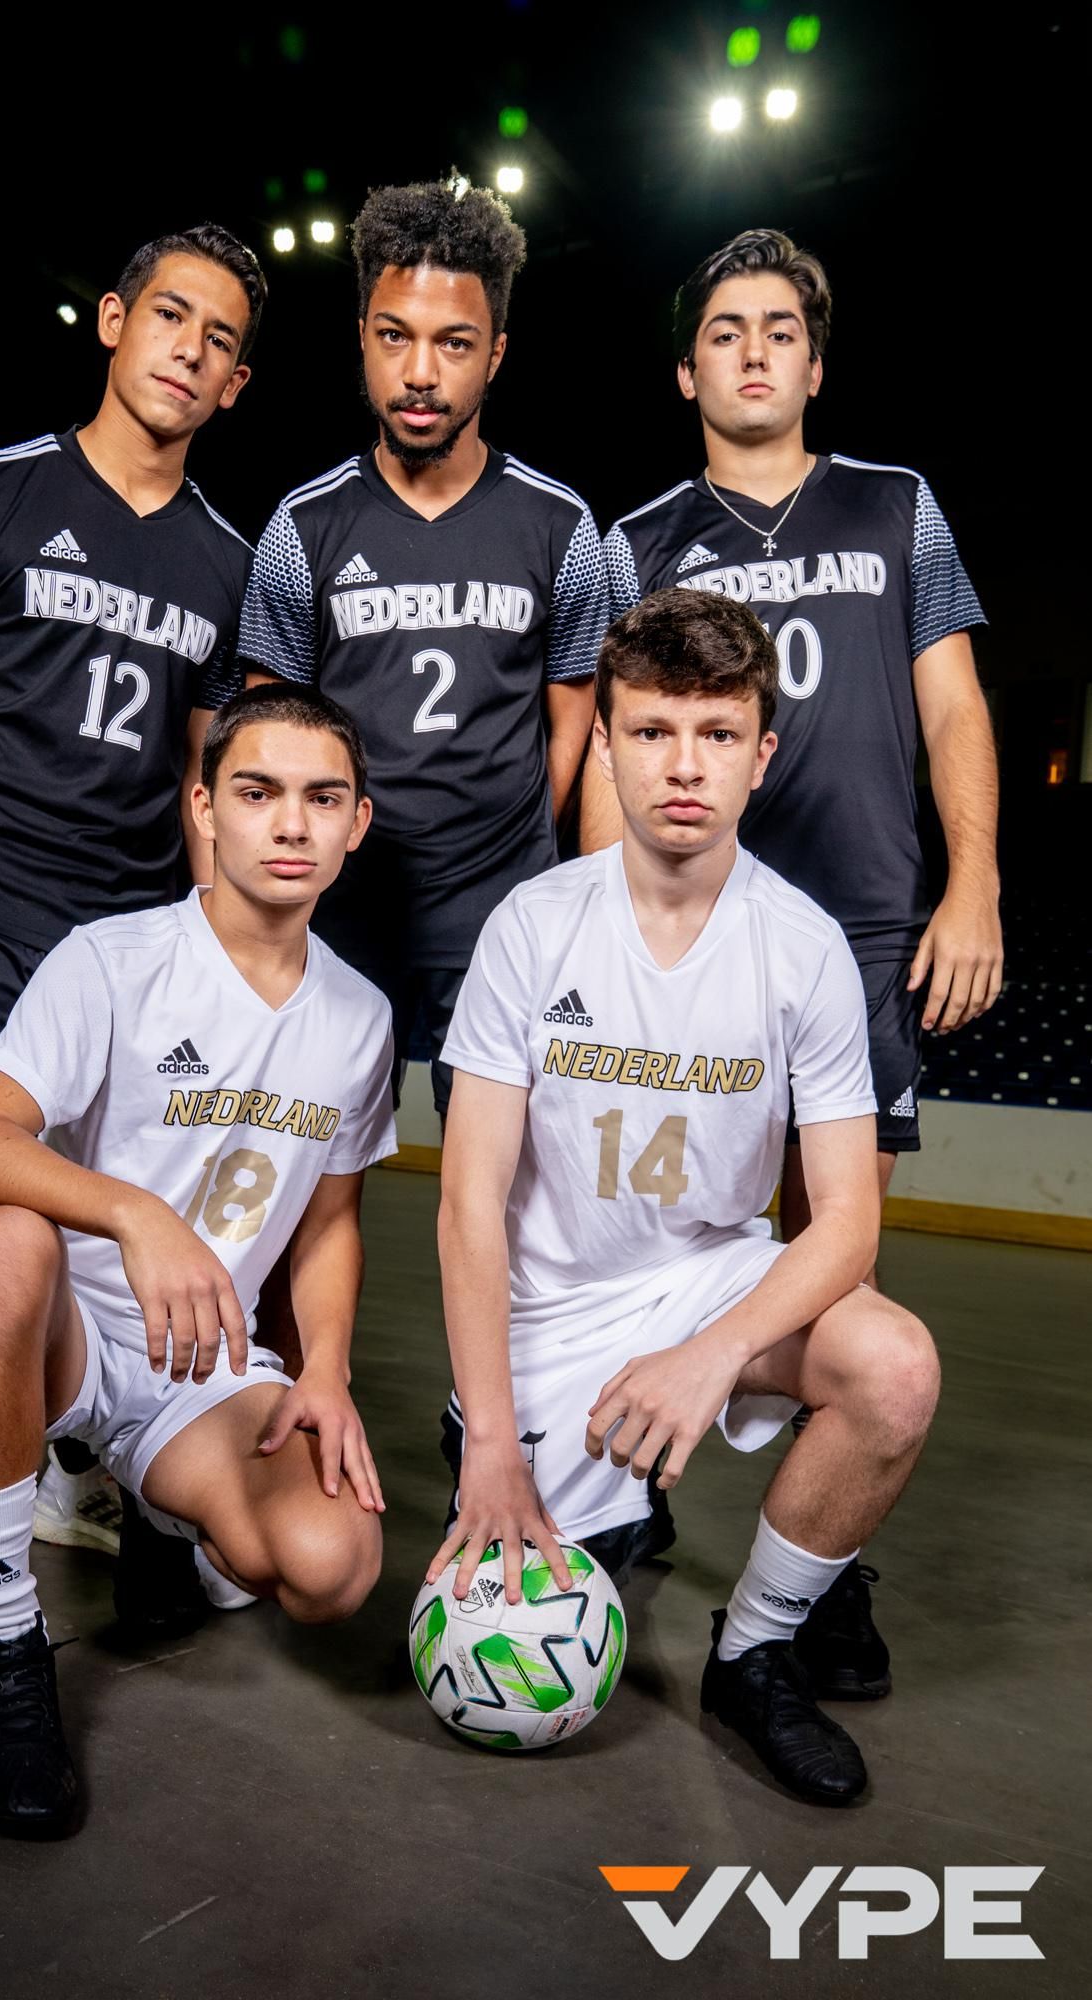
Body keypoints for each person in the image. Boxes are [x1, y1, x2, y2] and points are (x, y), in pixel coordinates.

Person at [0, 223, 266, 1636]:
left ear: (236, 384)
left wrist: (215, 956)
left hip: (124, 938)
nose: (189, 349)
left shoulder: (230, 562)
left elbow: (208, 787)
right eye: (170, 315)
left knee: (87, 1218)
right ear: (113, 320)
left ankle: (53, 1457)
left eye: (220, 339)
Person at [430, 592, 940, 1804]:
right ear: (604, 744)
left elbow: (846, 1221)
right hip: (552, 1309)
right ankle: (550, 1463)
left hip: (711, 1280)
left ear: (762, 755)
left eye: (717, 734)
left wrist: (713, 1352)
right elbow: (467, 1203)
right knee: (507, 1646)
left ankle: (755, 1651)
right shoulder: (532, 926)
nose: (683, 764)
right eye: (652, 731)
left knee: (895, 1367)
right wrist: (493, 1440)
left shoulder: (804, 946)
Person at [0, 684, 395, 1835]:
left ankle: (157, 1510)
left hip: (201, 1359)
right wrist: (135, 1213)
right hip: (63, 1328)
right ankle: (0, 1646)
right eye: (257, 792)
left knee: (329, 1567)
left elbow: (328, 1223)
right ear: (204, 807)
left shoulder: (361, 1014)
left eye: (321, 797)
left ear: (357, 823)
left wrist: (325, 1371)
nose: (290, 823)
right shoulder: (113, 959)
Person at [583, 228, 1001, 1249]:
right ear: (687, 373)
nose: (754, 352)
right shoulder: (635, 542)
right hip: (697, 923)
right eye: (725, 333)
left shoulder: (896, 505)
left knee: (833, 1250)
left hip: (866, 923)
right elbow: (610, 746)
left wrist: (975, 884)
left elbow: (954, 707)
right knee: (672, 1238)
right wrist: (612, 929)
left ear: (814, 367)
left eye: (780, 332)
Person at [237, 178, 607, 1116]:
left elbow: (575, 716)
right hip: (338, 902)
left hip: (498, 911)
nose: (420, 373)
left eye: (455, 343)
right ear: (361, 337)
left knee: (499, 1175)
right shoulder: (302, 525)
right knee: (303, 1161)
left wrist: (511, 845)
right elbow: (266, 732)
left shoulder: (561, 525)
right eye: (394, 336)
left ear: (497, 354)